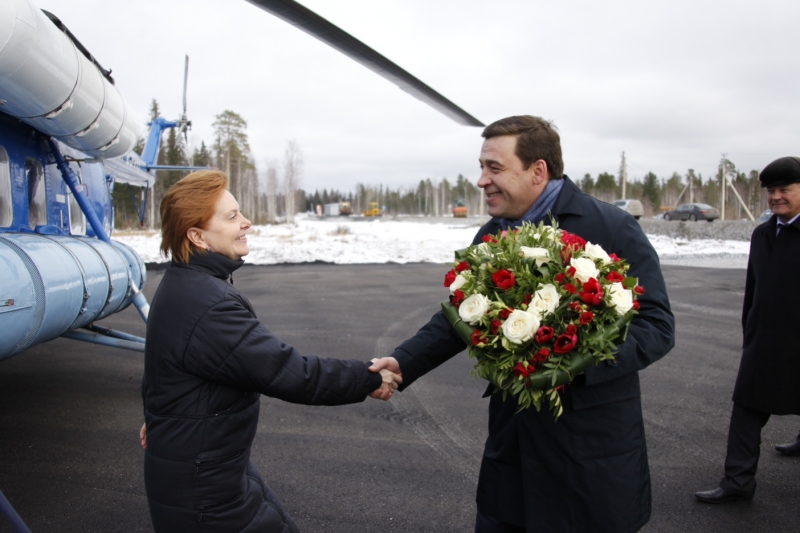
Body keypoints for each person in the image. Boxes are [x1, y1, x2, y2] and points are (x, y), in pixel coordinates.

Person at [370, 115, 675, 532]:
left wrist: (572, 362)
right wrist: (404, 362)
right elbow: (461, 314)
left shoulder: (610, 227)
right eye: (481, 167)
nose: (482, 180)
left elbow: (656, 325)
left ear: (538, 171)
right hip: (513, 452)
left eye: (494, 168)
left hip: (590, 453)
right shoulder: (492, 234)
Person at [139, 170, 401, 532]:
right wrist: (367, 378)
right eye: (232, 216)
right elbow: (289, 372)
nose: (246, 222)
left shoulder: (183, 284)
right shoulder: (208, 304)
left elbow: (164, 370)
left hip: (205, 471)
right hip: (204, 496)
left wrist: (161, 418)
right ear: (197, 236)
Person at [695, 156, 800, 504]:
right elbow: (753, 290)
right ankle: (738, 481)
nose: (776, 197)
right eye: (771, 191)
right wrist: (750, 332)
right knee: (746, 408)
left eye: (784, 189)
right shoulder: (763, 233)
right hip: (766, 341)